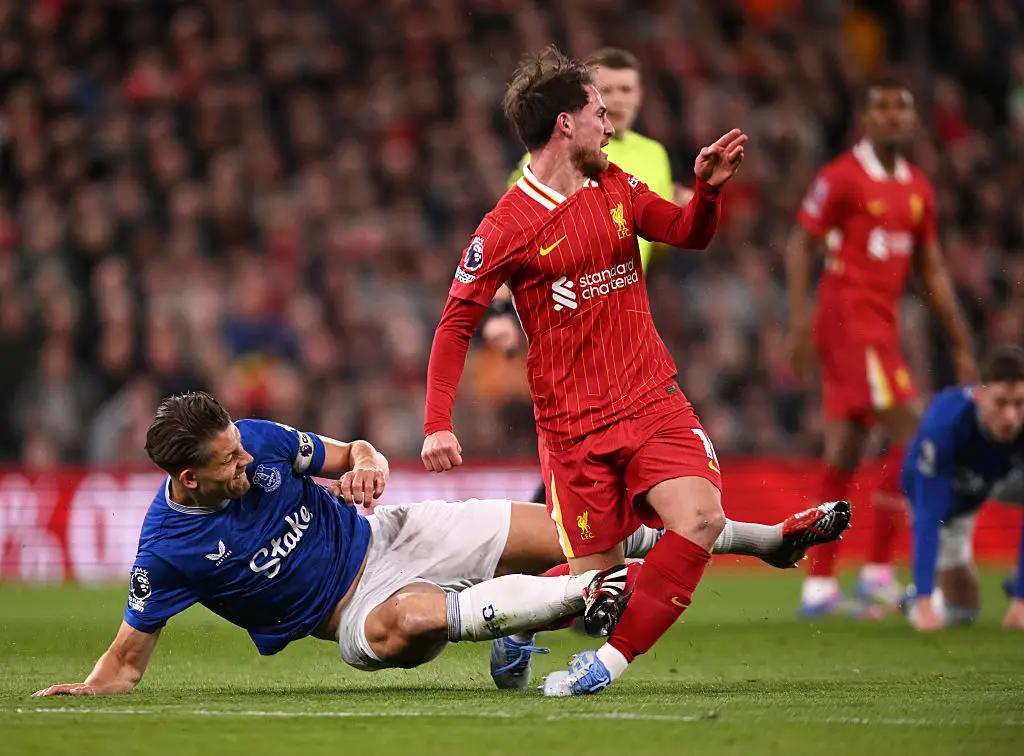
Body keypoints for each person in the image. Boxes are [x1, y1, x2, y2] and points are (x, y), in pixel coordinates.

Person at [420, 47, 850, 697]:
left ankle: (606, 665)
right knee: (596, 590)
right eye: (598, 109)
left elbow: (686, 232)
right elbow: (455, 323)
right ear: (566, 123)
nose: (610, 120)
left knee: (699, 520)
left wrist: (706, 190)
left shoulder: (613, 181)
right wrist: (437, 423)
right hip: (572, 426)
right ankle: (518, 621)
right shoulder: (506, 224)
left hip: (649, 397)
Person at [33, 391, 849, 697]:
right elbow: (128, 661)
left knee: (571, 532)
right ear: (187, 477)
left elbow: (352, 454)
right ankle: (572, 599)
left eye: (243, 451)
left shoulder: (258, 439)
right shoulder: (166, 547)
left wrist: (371, 463)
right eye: (229, 463)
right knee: (412, 623)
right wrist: (87, 688)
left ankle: (769, 541)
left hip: (396, 530)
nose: (247, 462)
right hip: (354, 611)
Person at [785, 77, 978, 617]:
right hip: (846, 320)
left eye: (902, 108)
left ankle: (821, 586)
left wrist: (960, 342)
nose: (893, 117)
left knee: (847, 447)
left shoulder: (917, 187)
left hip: (881, 326)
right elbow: (800, 241)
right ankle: (879, 572)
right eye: (882, 107)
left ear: (913, 121)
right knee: (917, 433)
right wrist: (799, 322)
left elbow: (932, 268)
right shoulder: (841, 178)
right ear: (865, 119)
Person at [485, 47, 692, 506]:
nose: (618, 100)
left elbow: (651, 228)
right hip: (567, 313)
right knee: (580, 437)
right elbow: (510, 245)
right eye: (609, 91)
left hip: (623, 308)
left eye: (627, 90)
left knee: (632, 434)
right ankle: (546, 533)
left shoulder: (653, 155)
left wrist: (686, 208)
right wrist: (500, 311)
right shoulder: (551, 158)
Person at [900, 346, 1024, 632]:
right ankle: (908, 599)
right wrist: (924, 603)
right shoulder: (944, 426)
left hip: (1006, 478)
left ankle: (1017, 581)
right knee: (960, 612)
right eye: (1001, 403)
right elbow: (929, 514)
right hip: (953, 498)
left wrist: (1020, 601)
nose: (1010, 417)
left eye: (1019, 404)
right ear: (980, 395)